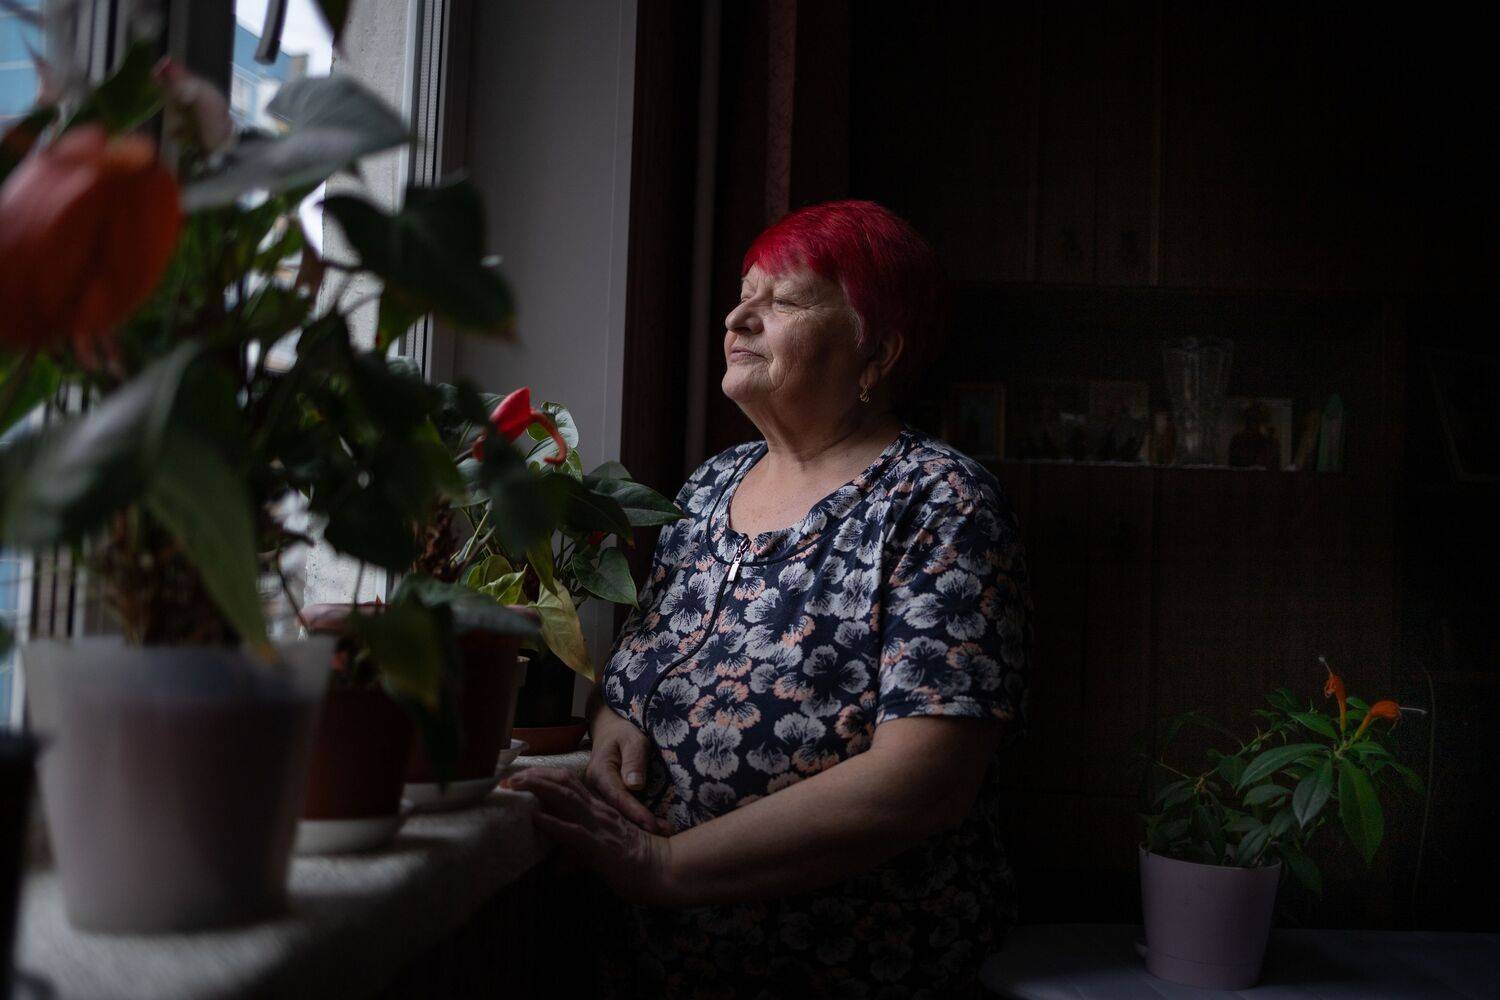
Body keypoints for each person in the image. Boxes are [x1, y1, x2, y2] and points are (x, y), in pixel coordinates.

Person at [502, 200, 1033, 997]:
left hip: (846, 969)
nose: (738, 318)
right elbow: (637, 669)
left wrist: (662, 864)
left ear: (877, 350)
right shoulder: (711, 485)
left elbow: (925, 783)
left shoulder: (940, 501)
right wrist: (616, 727)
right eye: (744, 294)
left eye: (783, 302)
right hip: (648, 964)